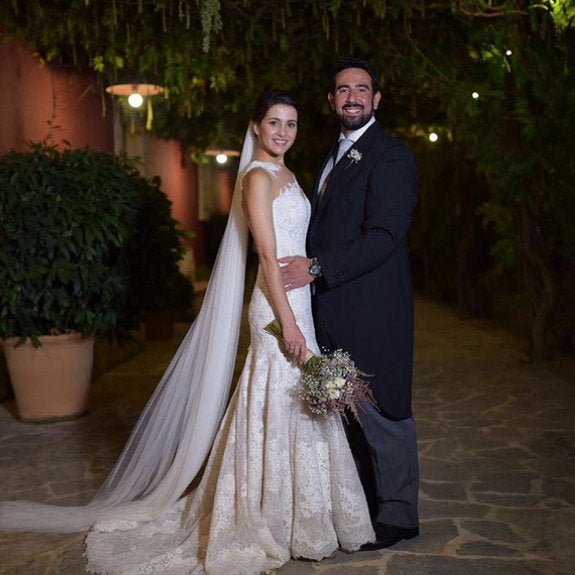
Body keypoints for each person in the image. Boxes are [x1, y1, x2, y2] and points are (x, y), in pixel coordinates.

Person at [0, 90, 374, 574]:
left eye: (291, 123)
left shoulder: (288, 174)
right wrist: (288, 323)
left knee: (300, 402)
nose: (283, 132)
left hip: (297, 299)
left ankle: (306, 517)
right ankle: (267, 518)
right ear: (255, 126)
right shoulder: (257, 178)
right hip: (276, 306)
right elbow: (266, 256)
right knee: (277, 399)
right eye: (274, 122)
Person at [280, 57, 420, 550]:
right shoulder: (330, 153)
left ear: (376, 99)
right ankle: (364, 508)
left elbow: (384, 236)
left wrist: (316, 268)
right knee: (347, 414)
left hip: (374, 311)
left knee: (384, 410)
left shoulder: (391, 156)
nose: (353, 97)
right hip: (331, 310)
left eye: (362, 89)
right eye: (343, 90)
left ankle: (400, 515)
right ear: (331, 100)